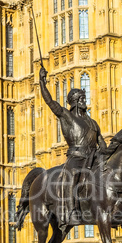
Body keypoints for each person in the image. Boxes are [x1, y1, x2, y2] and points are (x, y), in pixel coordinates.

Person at [39, 66, 114, 225]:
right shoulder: (66, 116)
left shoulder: (92, 123)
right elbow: (50, 102)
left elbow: (102, 144)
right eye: (81, 99)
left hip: (93, 160)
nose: (84, 101)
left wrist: (110, 153)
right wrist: (42, 83)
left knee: (115, 175)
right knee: (72, 175)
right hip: (77, 158)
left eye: (84, 98)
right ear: (73, 102)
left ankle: (118, 208)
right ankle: (71, 211)